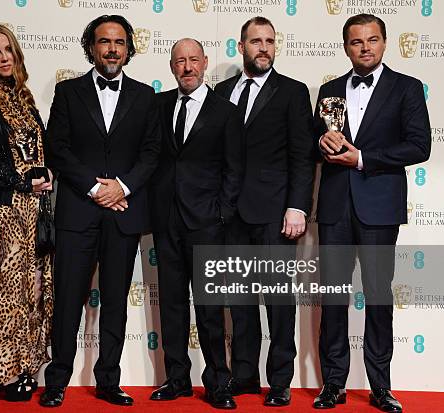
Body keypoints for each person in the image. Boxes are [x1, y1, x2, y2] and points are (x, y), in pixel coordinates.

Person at [39, 14, 160, 407]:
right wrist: (95, 188)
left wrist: (121, 187)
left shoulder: (145, 97)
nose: (112, 49)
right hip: (77, 213)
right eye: (104, 41)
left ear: (129, 49)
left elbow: (151, 152)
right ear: (90, 47)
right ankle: (57, 380)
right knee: (68, 301)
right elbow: (58, 148)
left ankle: (109, 380)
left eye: (119, 42)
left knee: (115, 303)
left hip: (123, 215)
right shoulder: (68, 92)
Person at [313, 14, 430, 412]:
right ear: (345, 46)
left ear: (385, 43)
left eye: (372, 40)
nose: (365, 47)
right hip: (334, 206)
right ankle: (333, 384)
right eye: (356, 42)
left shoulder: (407, 88)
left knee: (378, 296)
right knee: (332, 298)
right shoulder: (329, 90)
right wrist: (324, 144)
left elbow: (419, 146)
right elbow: (316, 146)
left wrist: (362, 158)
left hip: (378, 207)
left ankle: (381, 386)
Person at [214, 16, 314, 407]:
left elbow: (302, 157)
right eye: (256, 41)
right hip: (229, 214)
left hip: (274, 212)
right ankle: (243, 376)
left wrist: (296, 207)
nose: (263, 47)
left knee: (277, 302)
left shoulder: (291, 92)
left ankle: (280, 381)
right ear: (241, 46)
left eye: (270, 41)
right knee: (239, 302)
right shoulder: (220, 91)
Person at [149, 38, 241, 410]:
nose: (187, 67)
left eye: (193, 60)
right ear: (172, 66)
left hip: (207, 223)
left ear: (204, 63)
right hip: (166, 220)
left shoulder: (226, 112)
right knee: (171, 304)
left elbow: (235, 169)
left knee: (209, 306)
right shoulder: (157, 106)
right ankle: (176, 379)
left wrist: (221, 214)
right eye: (179, 61)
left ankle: (219, 382)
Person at [0, 24, 54, 402]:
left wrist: (47, 174)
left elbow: (39, 150)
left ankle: (26, 368)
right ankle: (2, 374)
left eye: (8, 51)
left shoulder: (25, 97)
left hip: (36, 208)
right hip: (7, 208)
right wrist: (23, 183)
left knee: (32, 290)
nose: (4, 58)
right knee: (6, 291)